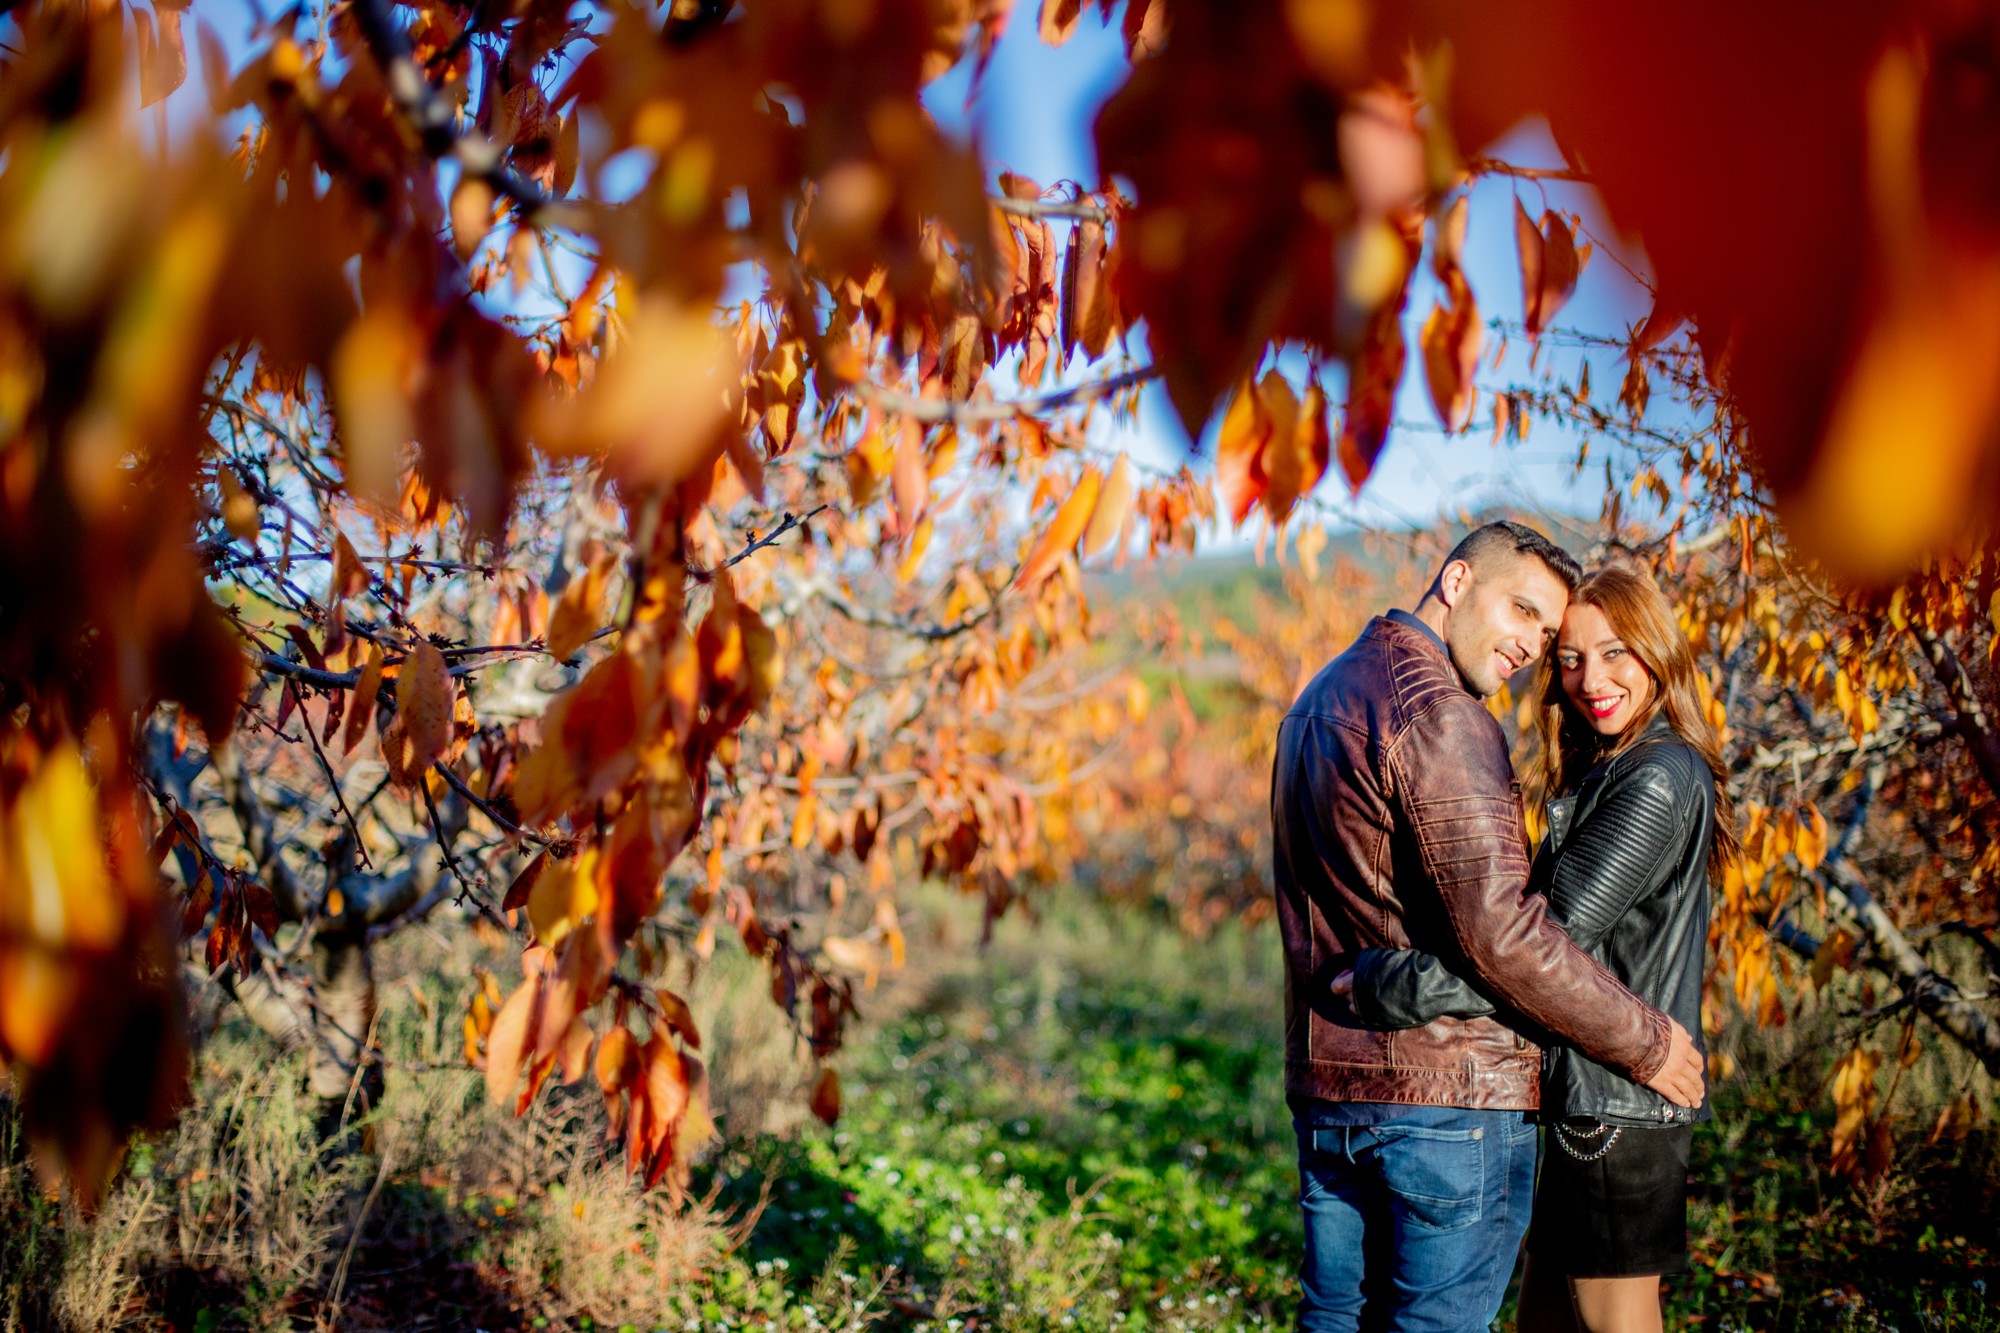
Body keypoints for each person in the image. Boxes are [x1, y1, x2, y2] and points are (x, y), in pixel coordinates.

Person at [1272, 522, 1706, 1333]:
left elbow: (1514, 933)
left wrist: (1380, 982)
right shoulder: (1444, 714)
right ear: (1458, 580)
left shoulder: (1319, 696)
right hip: (1444, 1096)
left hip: (1335, 1083)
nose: (1535, 650)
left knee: (1335, 1319)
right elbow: (1511, 940)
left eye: (1548, 636)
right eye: (1527, 616)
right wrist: (1646, 1041)